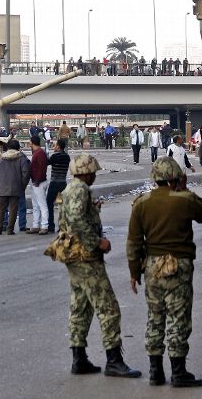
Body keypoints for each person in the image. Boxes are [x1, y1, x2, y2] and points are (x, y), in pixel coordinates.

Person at [127, 157, 202, 387]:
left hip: (153, 266)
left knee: (155, 316)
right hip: (179, 264)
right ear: (176, 178)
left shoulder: (141, 202)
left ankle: (155, 371)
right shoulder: (184, 199)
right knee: (178, 317)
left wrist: (134, 272)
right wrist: (185, 190)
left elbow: (134, 242)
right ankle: (178, 372)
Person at [60, 153, 141, 378]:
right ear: (86, 173)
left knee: (81, 306)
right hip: (86, 257)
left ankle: (79, 358)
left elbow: (69, 220)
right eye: (93, 172)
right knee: (108, 307)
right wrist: (97, 242)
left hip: (73, 256)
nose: (95, 176)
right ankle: (114, 360)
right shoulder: (80, 189)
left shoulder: (70, 189)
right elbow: (76, 221)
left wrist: (93, 211)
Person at [0, 139, 30, 235]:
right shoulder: (21, 157)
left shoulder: (1, 158)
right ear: (18, 148)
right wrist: (23, 185)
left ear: (8, 147)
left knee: (1, 208)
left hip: (2, 187)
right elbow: (25, 173)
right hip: (16, 187)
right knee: (13, 209)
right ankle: (10, 230)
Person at [26, 136, 49, 235]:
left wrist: (38, 180)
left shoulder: (40, 153)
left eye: (29, 141)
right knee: (35, 205)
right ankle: (36, 225)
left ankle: (44, 226)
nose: (28, 142)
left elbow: (42, 168)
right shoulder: (37, 152)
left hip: (38, 182)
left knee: (42, 205)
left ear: (32, 142)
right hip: (35, 181)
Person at [46, 139, 70, 233]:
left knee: (49, 203)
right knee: (61, 205)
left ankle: (51, 226)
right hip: (63, 184)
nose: (54, 147)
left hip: (54, 184)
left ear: (59, 147)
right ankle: (62, 226)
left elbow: (47, 162)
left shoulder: (55, 156)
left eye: (55, 145)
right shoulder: (67, 157)